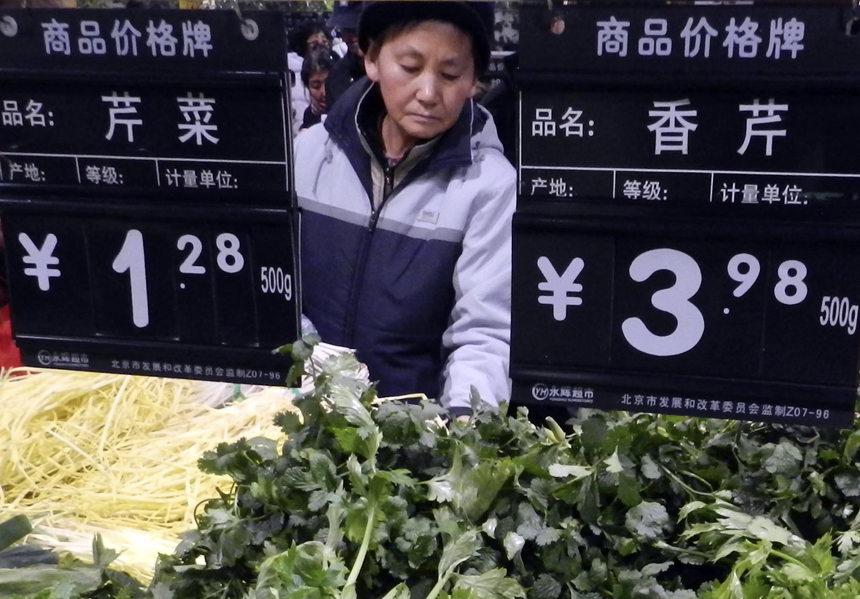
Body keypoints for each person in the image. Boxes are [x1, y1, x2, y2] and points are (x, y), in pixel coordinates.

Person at [295, 1, 515, 416]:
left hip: (417, 435)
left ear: (473, 80)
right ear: (373, 57)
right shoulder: (308, 155)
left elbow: (485, 334)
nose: (428, 93)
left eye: (450, 74)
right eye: (410, 67)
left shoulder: (489, 186)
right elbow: (277, 288)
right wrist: (309, 365)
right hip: (304, 415)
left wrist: (464, 428)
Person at [324, 1, 367, 110]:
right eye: (344, 29)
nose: (349, 37)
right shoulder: (336, 76)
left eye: (354, 29)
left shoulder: (395, 68)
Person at [299, 53, 333, 131]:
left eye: (329, 83)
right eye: (316, 86)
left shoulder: (346, 108)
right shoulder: (309, 115)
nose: (324, 92)